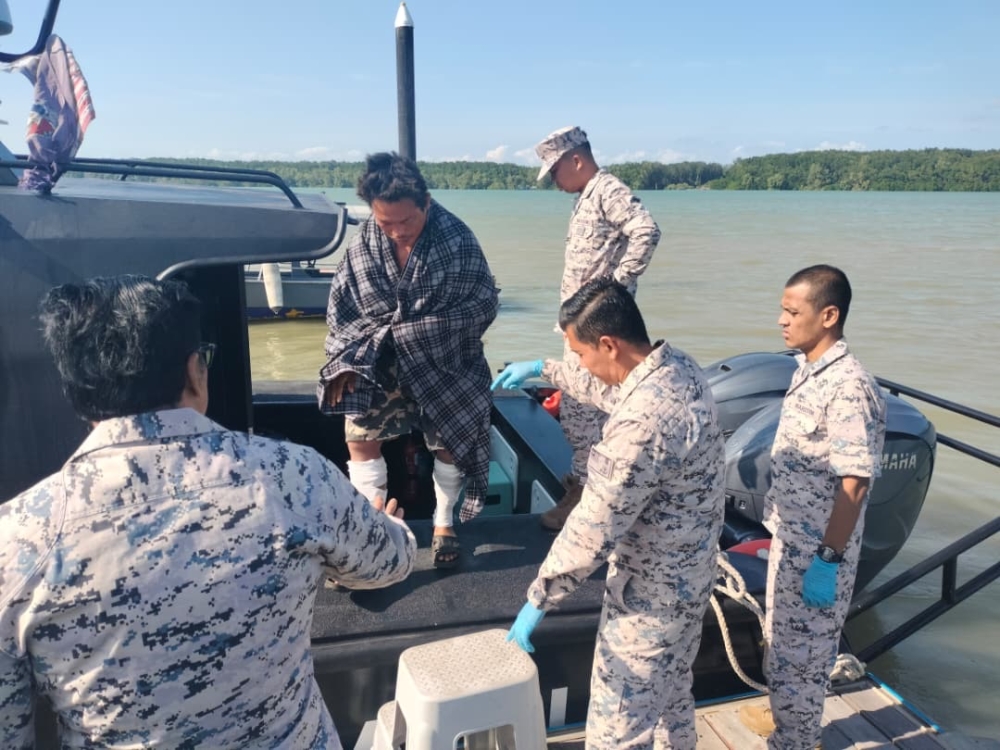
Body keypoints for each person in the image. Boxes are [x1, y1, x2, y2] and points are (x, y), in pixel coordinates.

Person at [0, 275, 416, 749]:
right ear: (196, 371)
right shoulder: (292, 476)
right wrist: (388, 522)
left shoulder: (17, 539)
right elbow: (387, 562)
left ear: (75, 389)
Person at [493, 278, 724, 749]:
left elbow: (595, 523)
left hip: (649, 601)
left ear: (609, 344)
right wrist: (548, 369)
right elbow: (615, 390)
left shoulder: (641, 425)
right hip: (693, 580)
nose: (582, 365)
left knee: (617, 728)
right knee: (672, 703)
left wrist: (540, 598)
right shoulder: (677, 366)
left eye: (581, 354)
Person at [318, 152, 499, 568]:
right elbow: (342, 311)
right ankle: (372, 525)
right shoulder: (363, 241)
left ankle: (443, 522)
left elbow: (482, 305)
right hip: (378, 358)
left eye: (407, 222)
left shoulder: (457, 238)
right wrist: (345, 361)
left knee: (452, 442)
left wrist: (419, 332)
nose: (397, 233)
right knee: (359, 436)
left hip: (445, 357)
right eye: (386, 223)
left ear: (427, 202)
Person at [739, 265, 887, 749]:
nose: (782, 320)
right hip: (792, 541)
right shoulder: (808, 370)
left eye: (792, 311)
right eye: (782, 309)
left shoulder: (847, 386)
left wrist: (827, 561)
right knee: (783, 654)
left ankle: (796, 741)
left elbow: (855, 484)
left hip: (820, 555)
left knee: (802, 662)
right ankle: (790, 729)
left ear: (828, 315)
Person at [533, 125, 661, 531]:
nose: (554, 181)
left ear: (576, 159)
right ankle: (587, 482)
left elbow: (646, 230)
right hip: (580, 325)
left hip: (598, 326)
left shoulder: (606, 189)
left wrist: (616, 287)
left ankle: (588, 496)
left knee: (586, 411)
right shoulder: (585, 197)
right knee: (577, 408)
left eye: (555, 171)